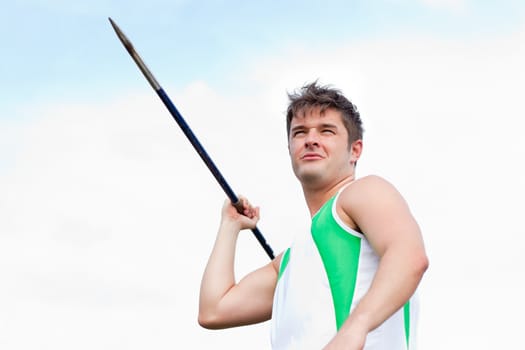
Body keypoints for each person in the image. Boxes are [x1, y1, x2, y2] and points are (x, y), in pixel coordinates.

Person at [198, 82, 429, 349]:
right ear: (290, 150)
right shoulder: (289, 261)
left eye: (326, 131)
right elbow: (214, 310)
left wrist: (356, 327)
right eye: (299, 132)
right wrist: (230, 225)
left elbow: (410, 257)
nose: (311, 139)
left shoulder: (363, 192)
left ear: (355, 150)